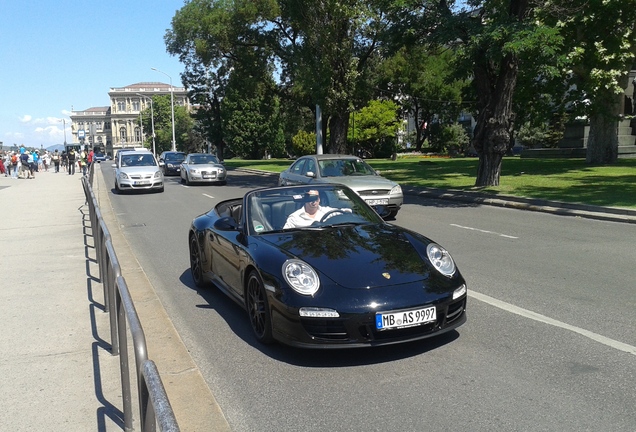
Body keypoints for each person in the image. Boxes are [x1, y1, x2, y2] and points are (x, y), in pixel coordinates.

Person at [283, 189, 350, 229]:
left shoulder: (327, 211)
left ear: (319, 199)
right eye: (311, 198)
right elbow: (284, 236)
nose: (314, 201)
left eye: (316, 198)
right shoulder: (294, 217)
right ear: (306, 199)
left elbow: (345, 212)